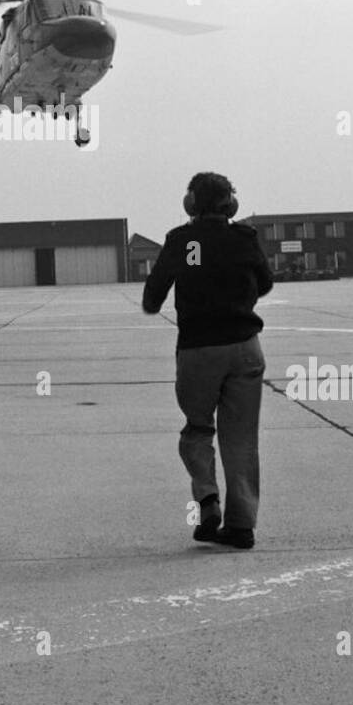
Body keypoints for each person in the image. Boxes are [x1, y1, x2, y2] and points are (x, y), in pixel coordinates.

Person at [142, 172, 274, 549]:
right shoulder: (244, 238)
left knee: (197, 430)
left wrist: (168, 294)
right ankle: (241, 525)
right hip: (245, 348)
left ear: (191, 204)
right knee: (241, 439)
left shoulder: (184, 241)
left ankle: (207, 500)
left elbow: (155, 293)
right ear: (229, 203)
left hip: (199, 350)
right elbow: (265, 283)